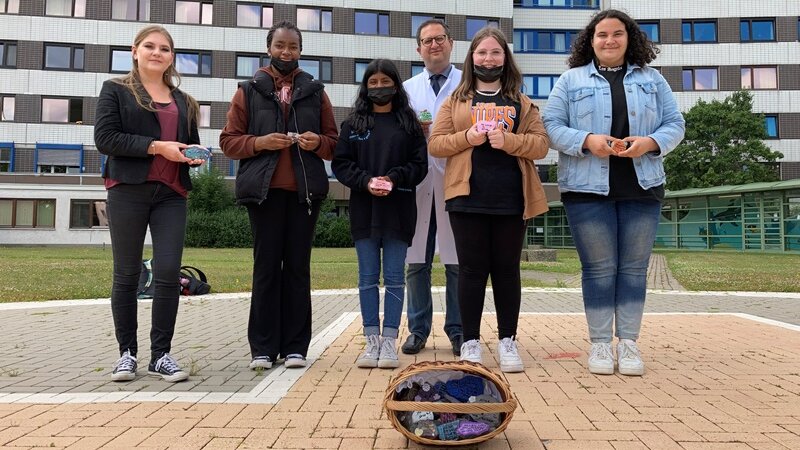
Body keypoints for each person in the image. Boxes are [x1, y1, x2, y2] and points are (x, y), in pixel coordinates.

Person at [542, 10, 685, 376]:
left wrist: (650, 142)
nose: (609, 41)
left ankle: (631, 344)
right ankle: (602, 345)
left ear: (629, 38)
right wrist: (586, 140)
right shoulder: (571, 80)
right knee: (599, 269)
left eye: (617, 34)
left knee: (635, 269)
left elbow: (675, 124)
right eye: (601, 34)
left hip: (642, 186)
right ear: (590, 41)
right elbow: (551, 127)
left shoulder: (653, 80)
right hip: (587, 190)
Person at [428, 27, 550, 373]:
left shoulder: (521, 102)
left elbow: (540, 145)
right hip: (466, 197)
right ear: (471, 58)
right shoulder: (456, 100)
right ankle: (470, 341)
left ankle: (508, 341)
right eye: (481, 52)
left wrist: (509, 141)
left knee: (507, 271)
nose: (488, 59)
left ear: (505, 59)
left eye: (495, 52)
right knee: (470, 271)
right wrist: (467, 136)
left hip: (512, 198)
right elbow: (435, 145)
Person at [219, 21, 338, 371]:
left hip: (305, 194)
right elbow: (228, 142)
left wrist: (318, 142)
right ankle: (263, 347)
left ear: (301, 51)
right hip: (264, 194)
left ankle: (297, 346)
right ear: (269, 47)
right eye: (281, 46)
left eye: (293, 47)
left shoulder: (315, 91)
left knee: (298, 269)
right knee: (266, 269)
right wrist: (260, 142)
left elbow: (334, 143)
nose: (287, 52)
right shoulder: (249, 90)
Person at [94, 25, 207, 383]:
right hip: (128, 190)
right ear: (135, 51)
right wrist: (158, 146)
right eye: (150, 46)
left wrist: (193, 155)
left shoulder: (184, 100)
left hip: (171, 195)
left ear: (172, 57)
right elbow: (105, 138)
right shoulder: (115, 90)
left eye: (165, 49)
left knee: (169, 272)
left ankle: (162, 356)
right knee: (127, 273)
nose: (157, 53)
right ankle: (126, 354)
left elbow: (189, 142)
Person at [333, 59, 427, 369]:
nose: (378, 87)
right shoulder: (353, 124)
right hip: (364, 212)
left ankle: (389, 342)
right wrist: (366, 181)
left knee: (397, 279)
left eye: (384, 81)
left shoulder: (409, 124)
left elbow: (419, 166)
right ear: (365, 87)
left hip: (399, 212)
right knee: (368, 279)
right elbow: (341, 164)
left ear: (396, 85)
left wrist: (394, 178)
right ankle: (370, 341)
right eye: (372, 83)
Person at [401, 19, 464, 357]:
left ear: (450, 43)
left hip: (456, 179)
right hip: (419, 182)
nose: (434, 45)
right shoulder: (408, 89)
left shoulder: (467, 85)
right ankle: (418, 329)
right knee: (416, 261)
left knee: (456, 261)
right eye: (427, 41)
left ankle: (458, 330)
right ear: (418, 49)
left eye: (439, 38)